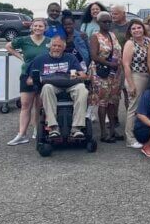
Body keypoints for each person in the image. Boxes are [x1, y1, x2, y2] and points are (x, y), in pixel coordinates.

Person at [26, 36, 88, 139]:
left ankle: (76, 128)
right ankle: (53, 127)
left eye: (59, 46)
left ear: (64, 48)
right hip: (52, 86)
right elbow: (29, 81)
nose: (56, 48)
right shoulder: (40, 59)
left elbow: (83, 76)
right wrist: (40, 79)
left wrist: (76, 76)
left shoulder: (70, 57)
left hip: (69, 85)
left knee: (82, 88)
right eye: (54, 45)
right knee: (46, 87)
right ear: (50, 46)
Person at [5, 17, 50, 145]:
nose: (37, 28)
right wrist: (21, 57)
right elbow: (8, 46)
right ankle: (22, 134)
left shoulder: (49, 42)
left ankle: (37, 129)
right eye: (35, 26)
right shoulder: (24, 40)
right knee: (25, 105)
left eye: (40, 26)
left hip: (43, 76)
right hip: (27, 74)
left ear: (45, 28)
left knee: (39, 105)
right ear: (31, 27)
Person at [89, 12, 124, 143]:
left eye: (109, 21)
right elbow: (94, 56)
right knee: (103, 102)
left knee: (112, 101)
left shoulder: (112, 35)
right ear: (98, 23)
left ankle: (112, 131)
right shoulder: (95, 37)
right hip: (101, 73)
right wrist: (110, 64)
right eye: (104, 22)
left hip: (114, 73)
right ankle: (103, 133)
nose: (107, 24)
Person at [123, 19, 150, 149]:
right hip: (135, 76)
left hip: (147, 77)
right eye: (133, 28)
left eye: (139, 28)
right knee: (133, 108)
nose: (136, 30)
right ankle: (130, 138)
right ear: (130, 31)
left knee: (144, 108)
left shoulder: (148, 41)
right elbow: (126, 65)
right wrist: (131, 85)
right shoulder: (130, 43)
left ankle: (142, 135)